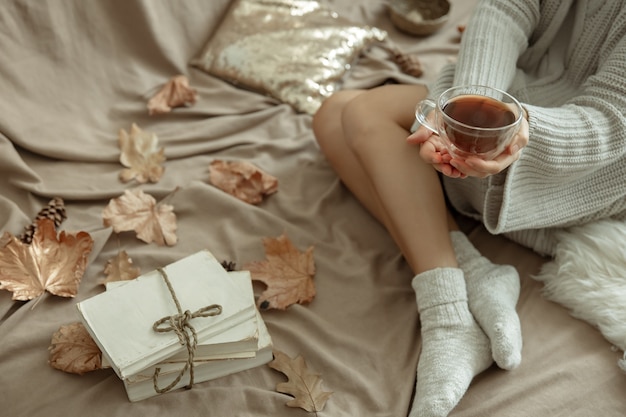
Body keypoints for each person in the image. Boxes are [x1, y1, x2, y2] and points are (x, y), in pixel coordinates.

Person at [312, 0, 626, 416]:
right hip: (513, 97)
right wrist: (472, 111)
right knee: (332, 113)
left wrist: (513, 131)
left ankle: (447, 315)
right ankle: (472, 279)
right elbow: (505, 9)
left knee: (360, 112)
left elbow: (611, 121)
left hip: (579, 159)